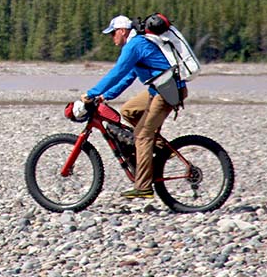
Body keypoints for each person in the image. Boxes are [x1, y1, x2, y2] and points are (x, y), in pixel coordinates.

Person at [68, 14, 187, 199]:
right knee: (128, 110)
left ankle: (144, 187)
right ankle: (160, 149)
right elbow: (128, 77)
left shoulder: (134, 45)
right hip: (160, 89)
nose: (112, 38)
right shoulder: (136, 44)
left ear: (122, 31)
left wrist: (90, 93)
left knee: (141, 135)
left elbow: (117, 73)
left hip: (168, 92)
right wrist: (104, 96)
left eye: (112, 33)